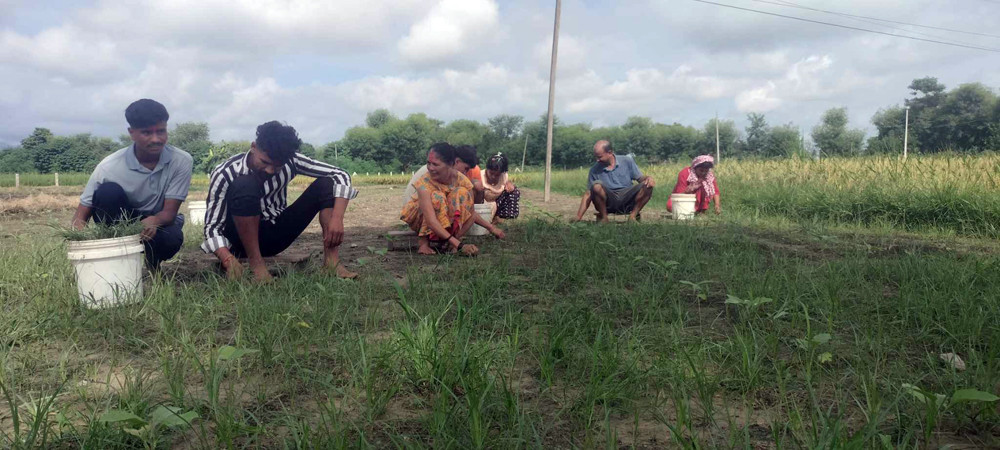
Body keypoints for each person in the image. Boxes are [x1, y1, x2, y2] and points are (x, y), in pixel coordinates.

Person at [201, 121, 358, 282]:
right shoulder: (225, 173)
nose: (270, 171)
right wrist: (227, 259)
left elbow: (340, 175)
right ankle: (257, 265)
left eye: (277, 167)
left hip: (276, 234)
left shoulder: (291, 160)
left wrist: (337, 219)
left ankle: (332, 263)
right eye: (265, 162)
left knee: (327, 184)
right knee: (244, 184)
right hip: (238, 242)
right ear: (253, 147)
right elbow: (212, 228)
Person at [71, 99, 193, 269]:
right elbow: (80, 215)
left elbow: (169, 212)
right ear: (132, 133)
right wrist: (82, 249)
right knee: (108, 192)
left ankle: (153, 264)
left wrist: (155, 220)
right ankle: (117, 259)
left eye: (161, 131)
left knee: (171, 238)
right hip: (122, 221)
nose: (156, 139)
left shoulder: (181, 161)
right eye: (146, 133)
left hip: (157, 220)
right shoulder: (109, 166)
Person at [400, 143, 504, 256]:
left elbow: (471, 213)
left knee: (461, 193)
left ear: (450, 164)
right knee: (437, 197)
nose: (430, 168)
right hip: (421, 220)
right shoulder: (424, 182)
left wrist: (456, 240)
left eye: (435, 164)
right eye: (428, 163)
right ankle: (424, 243)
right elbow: (431, 220)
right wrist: (460, 246)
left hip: (445, 224)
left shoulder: (463, 181)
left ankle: (449, 242)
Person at [573, 140, 654, 222]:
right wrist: (578, 216)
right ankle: (604, 218)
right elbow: (588, 194)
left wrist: (648, 178)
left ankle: (632, 216)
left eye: (600, 157)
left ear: (610, 152)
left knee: (647, 185)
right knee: (596, 186)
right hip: (609, 201)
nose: (597, 160)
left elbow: (640, 178)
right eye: (596, 157)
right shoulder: (594, 170)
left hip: (627, 198)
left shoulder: (627, 161)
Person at [401, 144, 485, 206]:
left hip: (429, 208)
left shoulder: (453, 174)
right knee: (443, 197)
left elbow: (471, 209)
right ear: (456, 162)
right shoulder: (434, 171)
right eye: (465, 168)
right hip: (417, 209)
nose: (465, 172)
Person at [482, 152, 519, 223]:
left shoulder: (504, 176)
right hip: (484, 205)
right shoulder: (480, 176)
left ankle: (504, 217)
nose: (493, 176)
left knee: (514, 191)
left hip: (497, 203)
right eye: (491, 173)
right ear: (487, 169)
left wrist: (509, 185)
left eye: (497, 175)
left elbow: (508, 184)